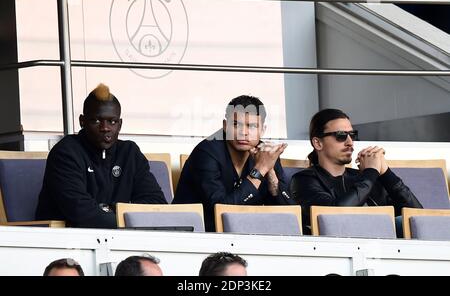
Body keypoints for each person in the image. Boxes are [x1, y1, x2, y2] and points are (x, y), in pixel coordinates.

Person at [36, 83, 167, 228]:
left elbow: (156, 204)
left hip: (125, 240)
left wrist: (109, 209)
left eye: (112, 121)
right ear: (82, 121)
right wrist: (129, 216)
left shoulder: (130, 153)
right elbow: (82, 214)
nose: (105, 128)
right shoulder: (65, 153)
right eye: (96, 121)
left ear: (120, 124)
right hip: (70, 242)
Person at [290, 108, 423, 235]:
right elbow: (333, 216)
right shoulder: (304, 180)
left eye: (352, 135)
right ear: (318, 143)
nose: (349, 142)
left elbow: (418, 219)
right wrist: (370, 172)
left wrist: (385, 173)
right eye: (340, 136)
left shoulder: (364, 177)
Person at [172, 95, 295, 231]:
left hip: (242, 233)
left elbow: (289, 213)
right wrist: (260, 170)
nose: (243, 132)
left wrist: (270, 170)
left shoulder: (265, 154)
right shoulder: (206, 153)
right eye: (236, 124)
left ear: (263, 130)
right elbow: (222, 210)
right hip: (196, 235)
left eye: (252, 126)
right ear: (225, 126)